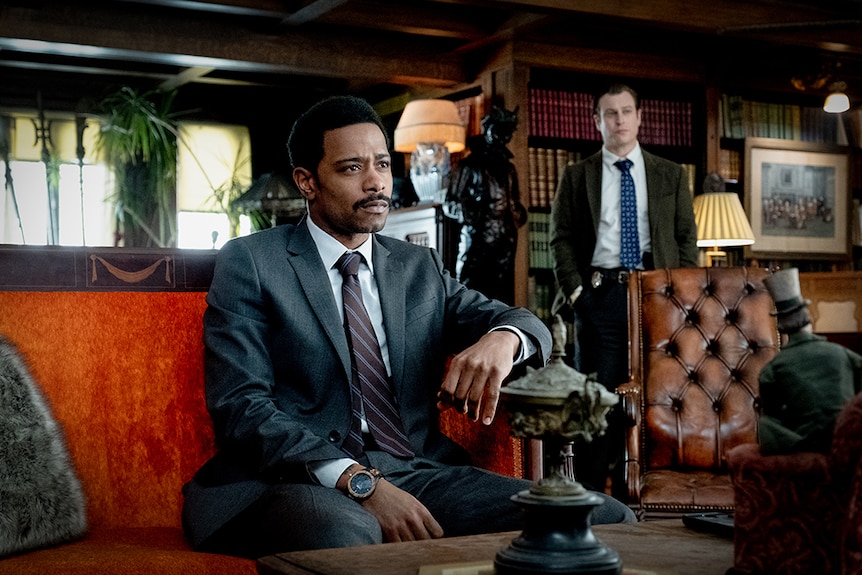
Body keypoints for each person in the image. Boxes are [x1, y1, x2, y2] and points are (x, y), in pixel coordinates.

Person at [181, 95, 635, 559]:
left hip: (418, 471)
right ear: (307, 182)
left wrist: (504, 339)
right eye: (352, 168)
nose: (377, 181)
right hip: (294, 478)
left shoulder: (418, 267)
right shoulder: (254, 262)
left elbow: (523, 322)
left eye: (382, 163)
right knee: (346, 534)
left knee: (608, 517)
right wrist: (360, 482)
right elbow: (241, 405)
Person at [549, 83, 698, 497]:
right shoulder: (577, 176)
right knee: (599, 400)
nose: (619, 120)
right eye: (610, 113)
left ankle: (649, 491)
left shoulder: (671, 173)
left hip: (658, 296)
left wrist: (680, 294)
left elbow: (687, 237)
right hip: (600, 297)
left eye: (626, 111)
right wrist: (577, 292)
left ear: (639, 117)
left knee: (659, 393)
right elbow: (559, 238)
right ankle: (593, 498)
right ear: (597, 121)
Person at [758, 268, 862, 455]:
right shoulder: (842, 352)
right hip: (848, 432)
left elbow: (773, 412)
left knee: (765, 424)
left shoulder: (773, 368)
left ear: (781, 326)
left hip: (810, 440)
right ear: (809, 319)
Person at [445, 105, 527, 305]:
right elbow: (450, 203)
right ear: (487, 130)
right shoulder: (469, 165)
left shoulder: (509, 168)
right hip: (477, 239)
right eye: (498, 131)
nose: (502, 137)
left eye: (506, 133)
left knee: (503, 295)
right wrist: (469, 216)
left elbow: (514, 200)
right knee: (468, 292)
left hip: (505, 238)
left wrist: (518, 216)